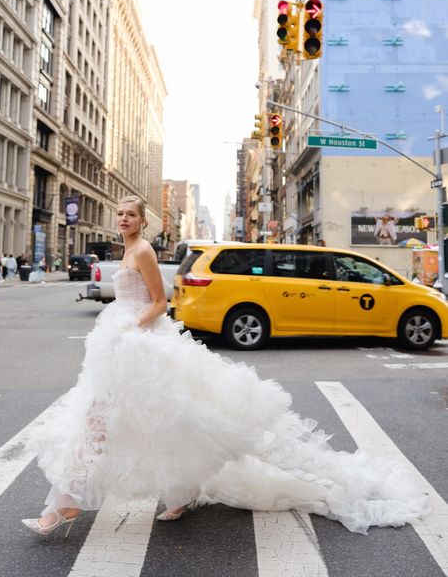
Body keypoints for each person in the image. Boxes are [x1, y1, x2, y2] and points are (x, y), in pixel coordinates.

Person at [22, 195, 429, 538]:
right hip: (119, 345)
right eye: (120, 214)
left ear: (143, 220)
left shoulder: (143, 250)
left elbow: (160, 303)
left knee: (167, 420)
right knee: (102, 420)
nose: (124, 219)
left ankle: (135, 497)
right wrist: (122, 327)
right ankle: (76, 500)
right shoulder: (125, 250)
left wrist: (132, 324)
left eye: (131, 214)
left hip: (139, 344)